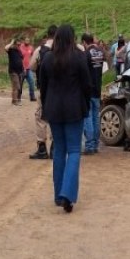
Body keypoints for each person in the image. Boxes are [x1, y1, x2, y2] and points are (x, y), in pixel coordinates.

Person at [39, 24, 91, 213]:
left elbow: (42, 86)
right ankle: (67, 194)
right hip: (74, 109)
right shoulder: (79, 57)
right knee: (75, 150)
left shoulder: (47, 58)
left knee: (59, 150)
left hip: (54, 110)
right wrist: (85, 105)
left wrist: (46, 106)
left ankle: (58, 195)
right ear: (72, 38)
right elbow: (87, 85)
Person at [28, 25, 57, 159]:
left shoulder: (40, 50)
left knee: (40, 116)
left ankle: (41, 148)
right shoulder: (62, 50)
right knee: (55, 117)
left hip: (44, 89)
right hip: (59, 89)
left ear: (47, 35)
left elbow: (32, 66)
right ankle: (55, 147)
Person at [81, 32, 105, 155]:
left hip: (88, 90)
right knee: (96, 117)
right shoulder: (100, 51)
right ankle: (95, 144)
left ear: (84, 42)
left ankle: (89, 146)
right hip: (98, 89)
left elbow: (83, 74)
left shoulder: (85, 54)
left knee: (88, 118)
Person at [4, 35, 24, 105]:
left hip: (20, 71)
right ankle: (15, 101)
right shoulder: (11, 50)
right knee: (16, 86)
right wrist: (11, 42)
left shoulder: (18, 51)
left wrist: (22, 70)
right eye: (17, 44)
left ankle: (15, 100)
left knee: (16, 86)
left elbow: (21, 59)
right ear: (14, 44)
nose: (19, 45)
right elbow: (6, 48)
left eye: (19, 44)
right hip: (13, 71)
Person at [20, 36, 36, 101]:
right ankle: (18, 96)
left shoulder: (31, 48)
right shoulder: (20, 47)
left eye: (28, 40)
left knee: (32, 82)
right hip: (21, 68)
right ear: (24, 40)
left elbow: (33, 56)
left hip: (28, 68)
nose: (27, 41)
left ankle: (32, 97)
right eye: (26, 40)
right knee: (20, 83)